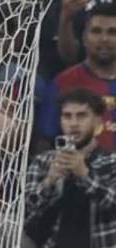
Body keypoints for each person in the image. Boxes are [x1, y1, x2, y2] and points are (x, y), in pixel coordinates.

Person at [25, 88, 116, 248]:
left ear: (98, 120)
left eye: (81, 115)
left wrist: (83, 173)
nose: (73, 123)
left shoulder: (111, 162)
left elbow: (111, 201)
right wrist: (50, 181)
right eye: (67, 116)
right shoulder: (44, 162)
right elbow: (27, 215)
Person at [39, 2, 116, 152]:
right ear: (84, 38)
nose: (104, 39)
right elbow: (45, 142)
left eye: (112, 32)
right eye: (96, 31)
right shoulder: (63, 83)